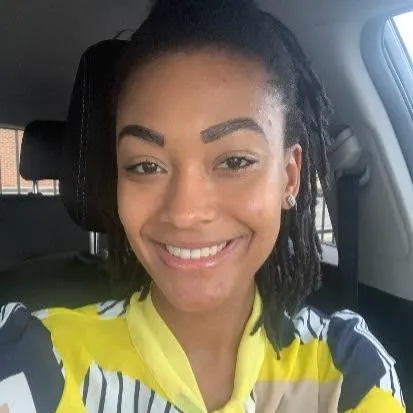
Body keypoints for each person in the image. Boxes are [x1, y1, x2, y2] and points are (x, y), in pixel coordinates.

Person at [0, 0, 406, 412]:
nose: (185, 213)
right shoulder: (38, 357)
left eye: (235, 162)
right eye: (145, 165)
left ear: (289, 176)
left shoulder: (346, 370)